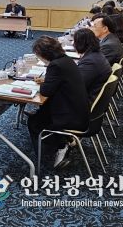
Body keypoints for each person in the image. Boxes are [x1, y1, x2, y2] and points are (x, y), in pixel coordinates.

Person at [27, 36, 89, 170]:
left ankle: (55, 149)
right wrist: (47, 80)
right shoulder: (66, 60)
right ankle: (63, 141)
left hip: (69, 117)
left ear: (44, 54)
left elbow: (46, 92)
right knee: (40, 113)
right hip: (79, 110)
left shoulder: (55, 65)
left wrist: (45, 82)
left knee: (34, 122)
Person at [73, 28, 112, 104]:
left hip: (84, 102)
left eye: (75, 42)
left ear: (80, 44)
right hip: (92, 95)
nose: (74, 44)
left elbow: (76, 86)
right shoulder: (96, 54)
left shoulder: (90, 62)